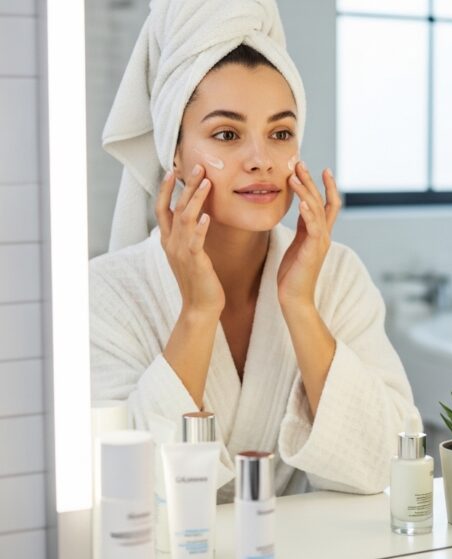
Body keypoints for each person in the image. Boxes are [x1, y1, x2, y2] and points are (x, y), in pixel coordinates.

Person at [90, 0, 418, 498]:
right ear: (173, 151)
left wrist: (300, 306)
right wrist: (198, 314)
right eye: (227, 134)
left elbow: (392, 466)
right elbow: (129, 490)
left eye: (280, 133)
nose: (261, 160)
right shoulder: (108, 294)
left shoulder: (337, 276)